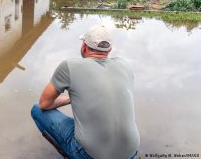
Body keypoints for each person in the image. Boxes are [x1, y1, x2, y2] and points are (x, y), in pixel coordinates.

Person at [31, 24, 140, 159]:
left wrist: (68, 99)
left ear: (84, 46)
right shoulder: (125, 65)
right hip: (131, 153)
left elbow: (44, 103)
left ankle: (70, 153)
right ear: (110, 49)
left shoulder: (69, 66)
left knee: (36, 109)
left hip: (88, 155)